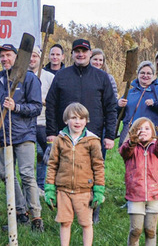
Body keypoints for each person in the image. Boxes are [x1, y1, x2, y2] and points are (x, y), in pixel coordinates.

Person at [45, 39, 117, 223]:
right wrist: (52, 132)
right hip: (66, 135)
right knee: (65, 170)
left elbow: (110, 107)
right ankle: (66, 209)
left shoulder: (101, 77)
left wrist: (109, 135)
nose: (80, 54)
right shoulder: (61, 76)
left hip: (93, 135)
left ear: (90, 53)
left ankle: (93, 209)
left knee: (94, 171)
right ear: (72, 53)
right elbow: (51, 105)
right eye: (77, 50)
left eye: (84, 51)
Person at [0, 44, 44, 231]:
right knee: (6, 176)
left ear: (16, 56)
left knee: (27, 175)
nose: (4, 59)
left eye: (8, 55)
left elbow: (37, 107)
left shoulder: (28, 79)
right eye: (2, 56)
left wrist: (17, 107)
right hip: (2, 136)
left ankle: (36, 217)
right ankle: (20, 212)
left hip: (24, 135)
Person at [44, 103, 105, 246]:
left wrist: (99, 190)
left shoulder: (92, 141)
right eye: (73, 118)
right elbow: (52, 165)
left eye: (81, 118)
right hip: (63, 190)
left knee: (86, 223)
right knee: (65, 222)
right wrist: (49, 189)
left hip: (84, 190)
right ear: (66, 120)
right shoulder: (60, 139)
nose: (77, 121)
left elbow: (99, 167)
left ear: (86, 120)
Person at [119, 117, 158, 246]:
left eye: (147, 128)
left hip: (154, 194)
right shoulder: (130, 148)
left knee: (151, 230)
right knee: (136, 230)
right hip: (135, 194)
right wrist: (131, 143)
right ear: (133, 132)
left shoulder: (155, 147)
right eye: (139, 129)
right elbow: (124, 152)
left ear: (153, 132)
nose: (143, 131)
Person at [117, 61, 158, 142]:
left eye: (149, 73)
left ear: (153, 75)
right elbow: (119, 114)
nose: (145, 75)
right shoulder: (130, 92)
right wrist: (119, 105)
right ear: (138, 74)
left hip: (151, 135)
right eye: (142, 73)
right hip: (131, 134)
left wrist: (155, 104)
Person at [29, 46, 55, 191]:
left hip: (43, 122)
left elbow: (54, 99)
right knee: (27, 156)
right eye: (30, 56)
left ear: (40, 58)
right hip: (26, 122)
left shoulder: (49, 77)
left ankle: (41, 185)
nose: (32, 59)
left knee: (42, 154)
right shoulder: (21, 76)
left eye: (35, 56)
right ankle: (29, 185)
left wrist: (43, 101)